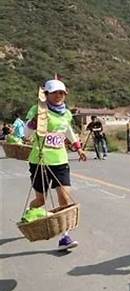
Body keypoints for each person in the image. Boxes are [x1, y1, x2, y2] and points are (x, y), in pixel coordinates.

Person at [25, 78, 87, 251]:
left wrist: (78, 148)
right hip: (40, 160)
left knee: (64, 198)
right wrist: (34, 122)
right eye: (55, 93)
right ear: (46, 94)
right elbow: (26, 133)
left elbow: (67, 130)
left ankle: (65, 237)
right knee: (41, 200)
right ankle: (30, 213)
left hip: (60, 160)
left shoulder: (66, 113)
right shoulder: (38, 110)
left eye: (62, 93)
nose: (59, 96)